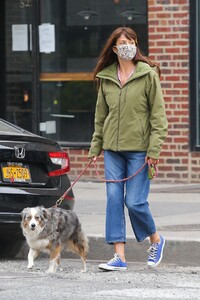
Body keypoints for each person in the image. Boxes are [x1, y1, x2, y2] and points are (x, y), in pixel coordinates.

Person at [88, 27, 168, 271]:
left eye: (131, 41)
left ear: (136, 45)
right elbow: (100, 117)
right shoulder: (106, 77)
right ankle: (119, 256)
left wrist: (154, 150)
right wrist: (95, 148)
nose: (127, 46)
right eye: (122, 42)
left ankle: (155, 239)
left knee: (134, 202)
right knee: (113, 199)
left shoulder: (147, 75)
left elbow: (159, 117)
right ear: (114, 48)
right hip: (112, 150)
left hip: (139, 151)